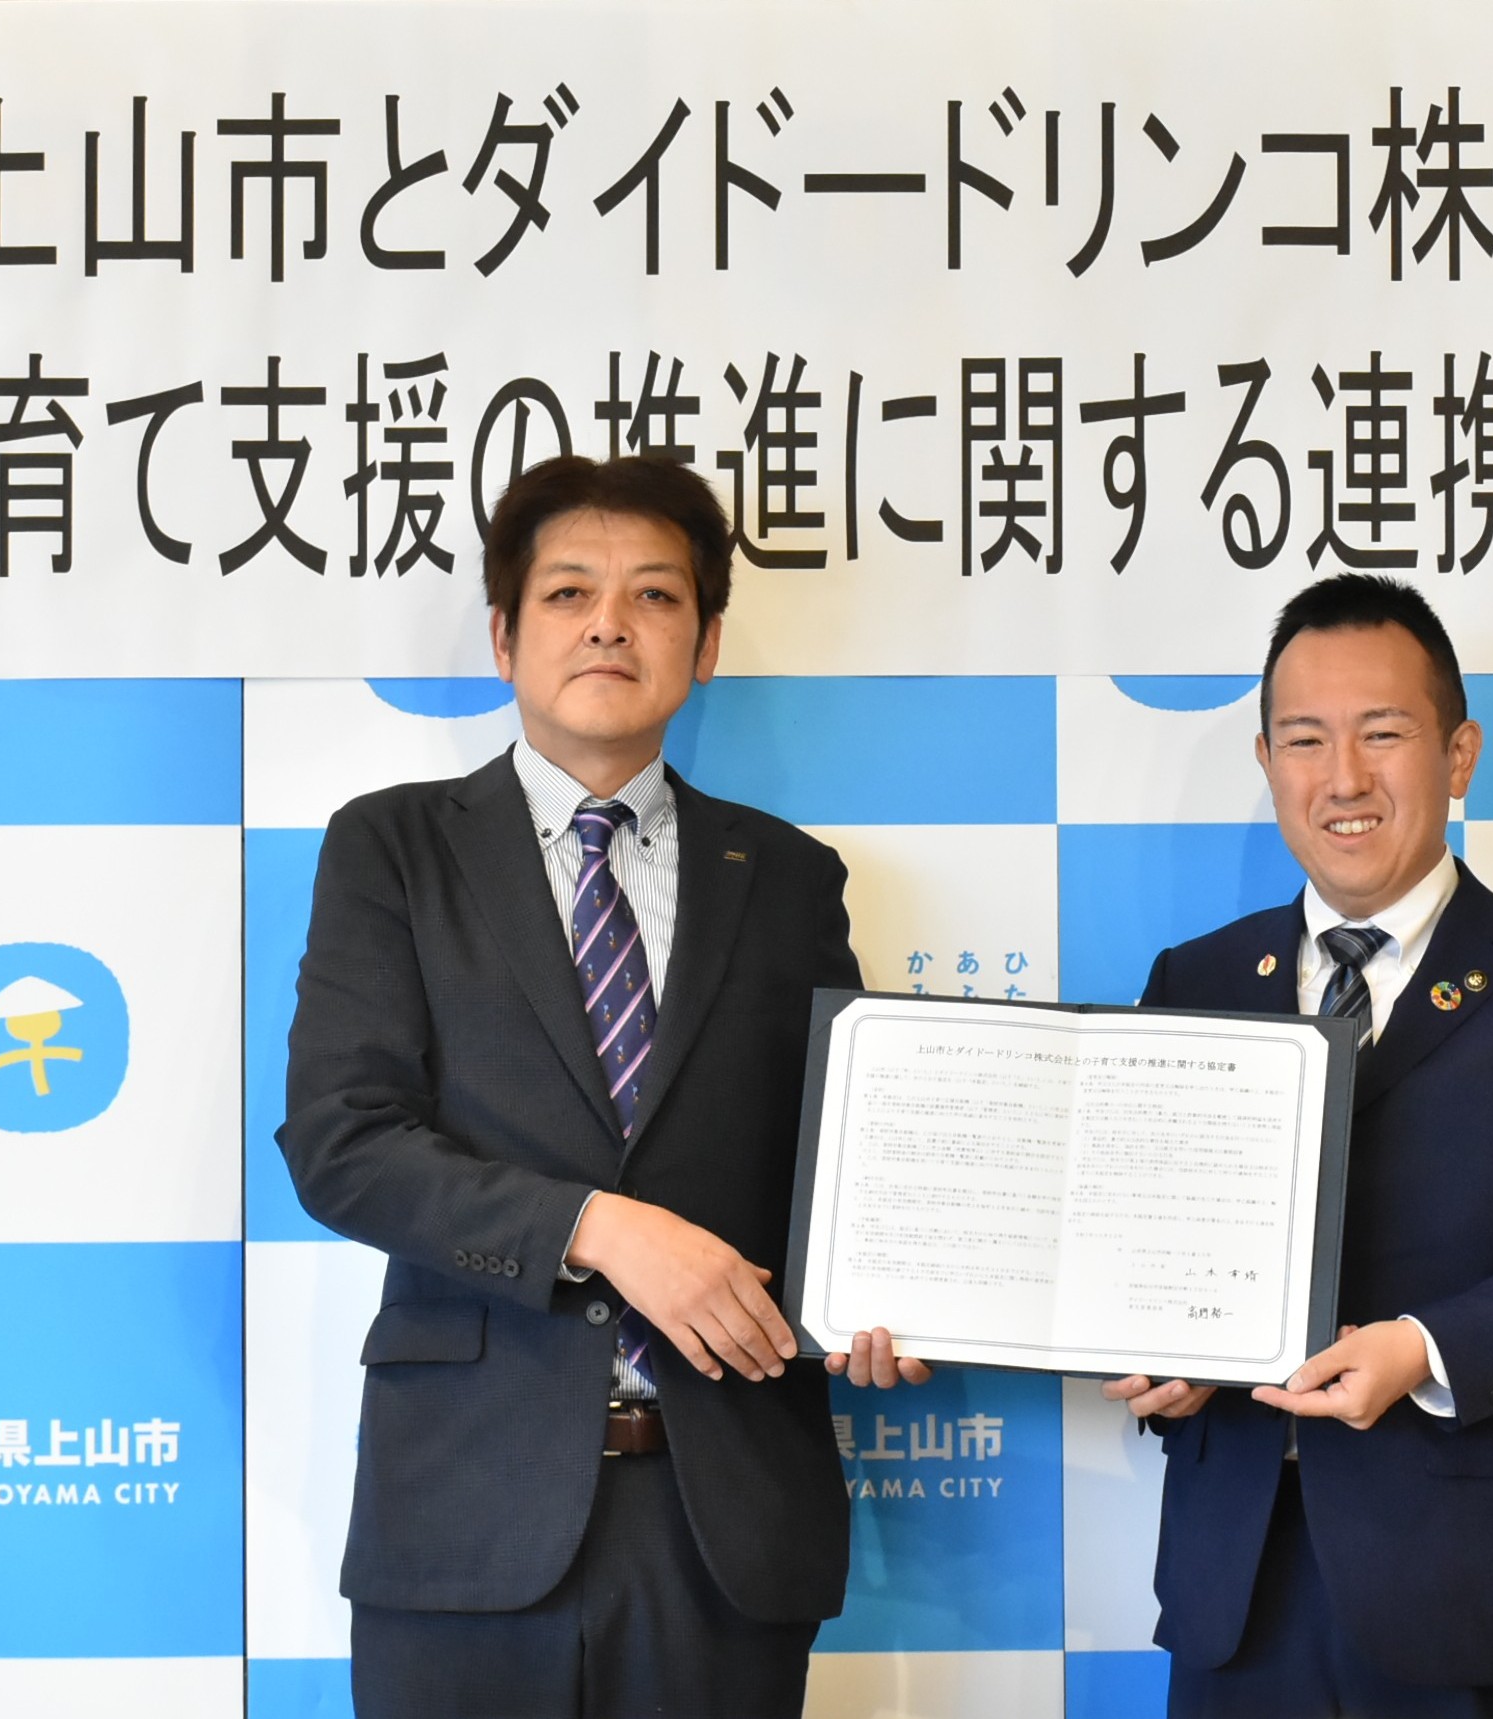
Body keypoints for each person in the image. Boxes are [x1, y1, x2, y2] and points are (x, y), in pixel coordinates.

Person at [279, 453, 923, 1719]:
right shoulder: (392, 848)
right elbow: (343, 1144)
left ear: (708, 643)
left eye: (655, 596)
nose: (610, 624)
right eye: (570, 592)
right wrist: (598, 1229)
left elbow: (840, 1167)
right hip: (467, 1508)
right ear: (506, 635)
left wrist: (889, 1292)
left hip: (722, 1520)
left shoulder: (789, 878)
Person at [1103, 574, 1493, 1719]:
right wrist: (1163, 1365)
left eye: (1382, 733)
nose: (1343, 777)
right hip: (1239, 1593)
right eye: (1305, 740)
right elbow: (1151, 1252)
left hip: (1485, 1598)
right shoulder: (1194, 982)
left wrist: (1428, 1350)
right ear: (1267, 761)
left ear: (1459, 754)